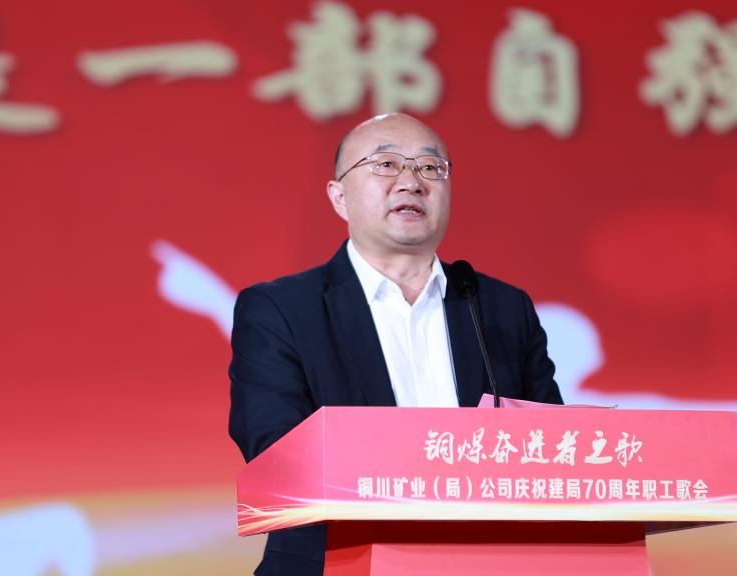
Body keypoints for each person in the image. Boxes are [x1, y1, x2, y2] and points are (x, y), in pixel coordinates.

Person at [228, 113, 563, 575]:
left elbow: (553, 452)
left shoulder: (500, 307)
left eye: (430, 168)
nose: (411, 182)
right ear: (339, 197)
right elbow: (275, 450)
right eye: (385, 164)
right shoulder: (280, 309)